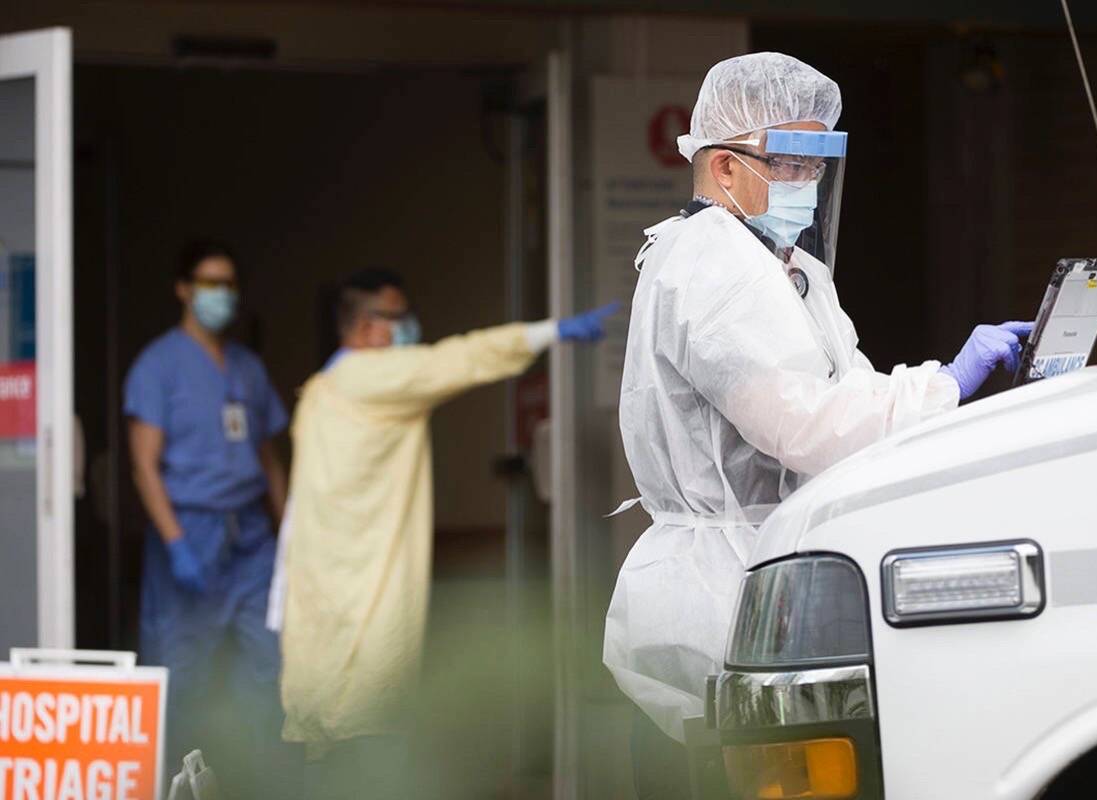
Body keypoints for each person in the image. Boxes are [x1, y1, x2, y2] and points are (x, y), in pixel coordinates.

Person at [602, 52, 1033, 797]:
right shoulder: (712, 264)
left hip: (760, 575)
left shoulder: (780, 265)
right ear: (727, 168)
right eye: (791, 162)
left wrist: (943, 397)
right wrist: (945, 384)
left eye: (815, 163)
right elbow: (800, 425)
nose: (805, 182)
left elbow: (851, 395)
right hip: (718, 595)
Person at [276, 268, 615, 793]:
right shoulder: (374, 377)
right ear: (367, 326)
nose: (411, 327)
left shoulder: (322, 388)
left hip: (320, 596)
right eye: (399, 316)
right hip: (360, 599)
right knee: (363, 741)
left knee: (327, 740)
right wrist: (553, 332)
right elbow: (461, 358)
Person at [124, 240, 295, 796]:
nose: (221, 294)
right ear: (183, 288)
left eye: (229, 284)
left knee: (270, 663)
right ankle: (176, 785)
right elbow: (144, 466)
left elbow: (269, 458)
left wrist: (289, 533)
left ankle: (257, 778)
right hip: (188, 530)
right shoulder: (158, 365)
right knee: (182, 673)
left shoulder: (246, 367)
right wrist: (175, 543)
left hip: (250, 535)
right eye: (209, 283)